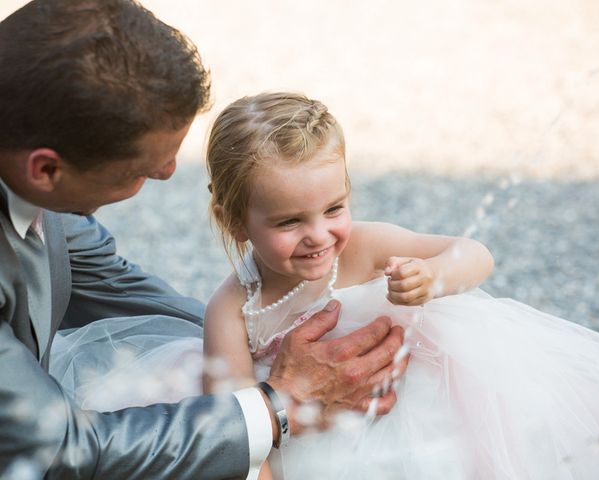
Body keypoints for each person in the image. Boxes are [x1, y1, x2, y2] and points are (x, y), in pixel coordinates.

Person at [0, 2, 408, 479]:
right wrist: (278, 402)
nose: (168, 172)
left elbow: (123, 290)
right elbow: (61, 449)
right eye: (141, 169)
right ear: (46, 169)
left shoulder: (34, 181)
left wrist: (257, 343)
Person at [199, 92, 599, 479]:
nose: (319, 234)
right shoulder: (233, 310)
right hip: (315, 448)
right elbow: (241, 431)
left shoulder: (364, 247)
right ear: (234, 221)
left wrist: (435, 276)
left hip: (422, 419)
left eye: (334, 208)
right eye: (290, 221)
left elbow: (475, 253)